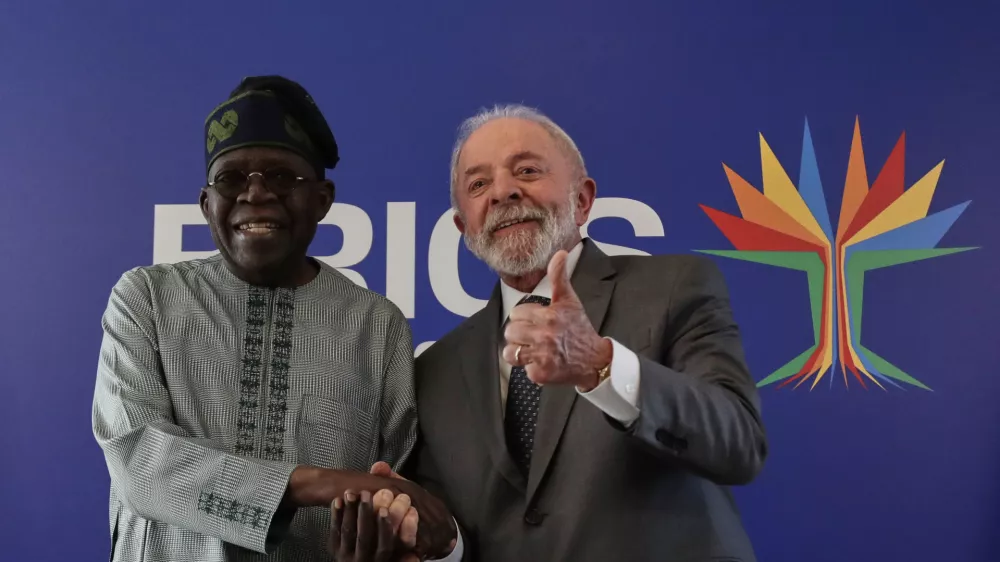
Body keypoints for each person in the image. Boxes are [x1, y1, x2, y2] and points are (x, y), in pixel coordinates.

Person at [374, 104, 769, 561]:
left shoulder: (674, 288)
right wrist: (433, 536)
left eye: (526, 170)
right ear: (465, 228)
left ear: (582, 200)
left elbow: (739, 443)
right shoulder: (435, 369)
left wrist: (599, 364)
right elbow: (462, 539)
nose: (503, 191)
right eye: (478, 184)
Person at [91, 75, 455, 562]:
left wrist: (390, 528)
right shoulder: (147, 300)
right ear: (206, 204)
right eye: (231, 179)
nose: (256, 194)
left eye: (282, 177)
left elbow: (397, 486)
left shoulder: (376, 326)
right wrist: (322, 483)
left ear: (323, 200)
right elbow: (140, 461)